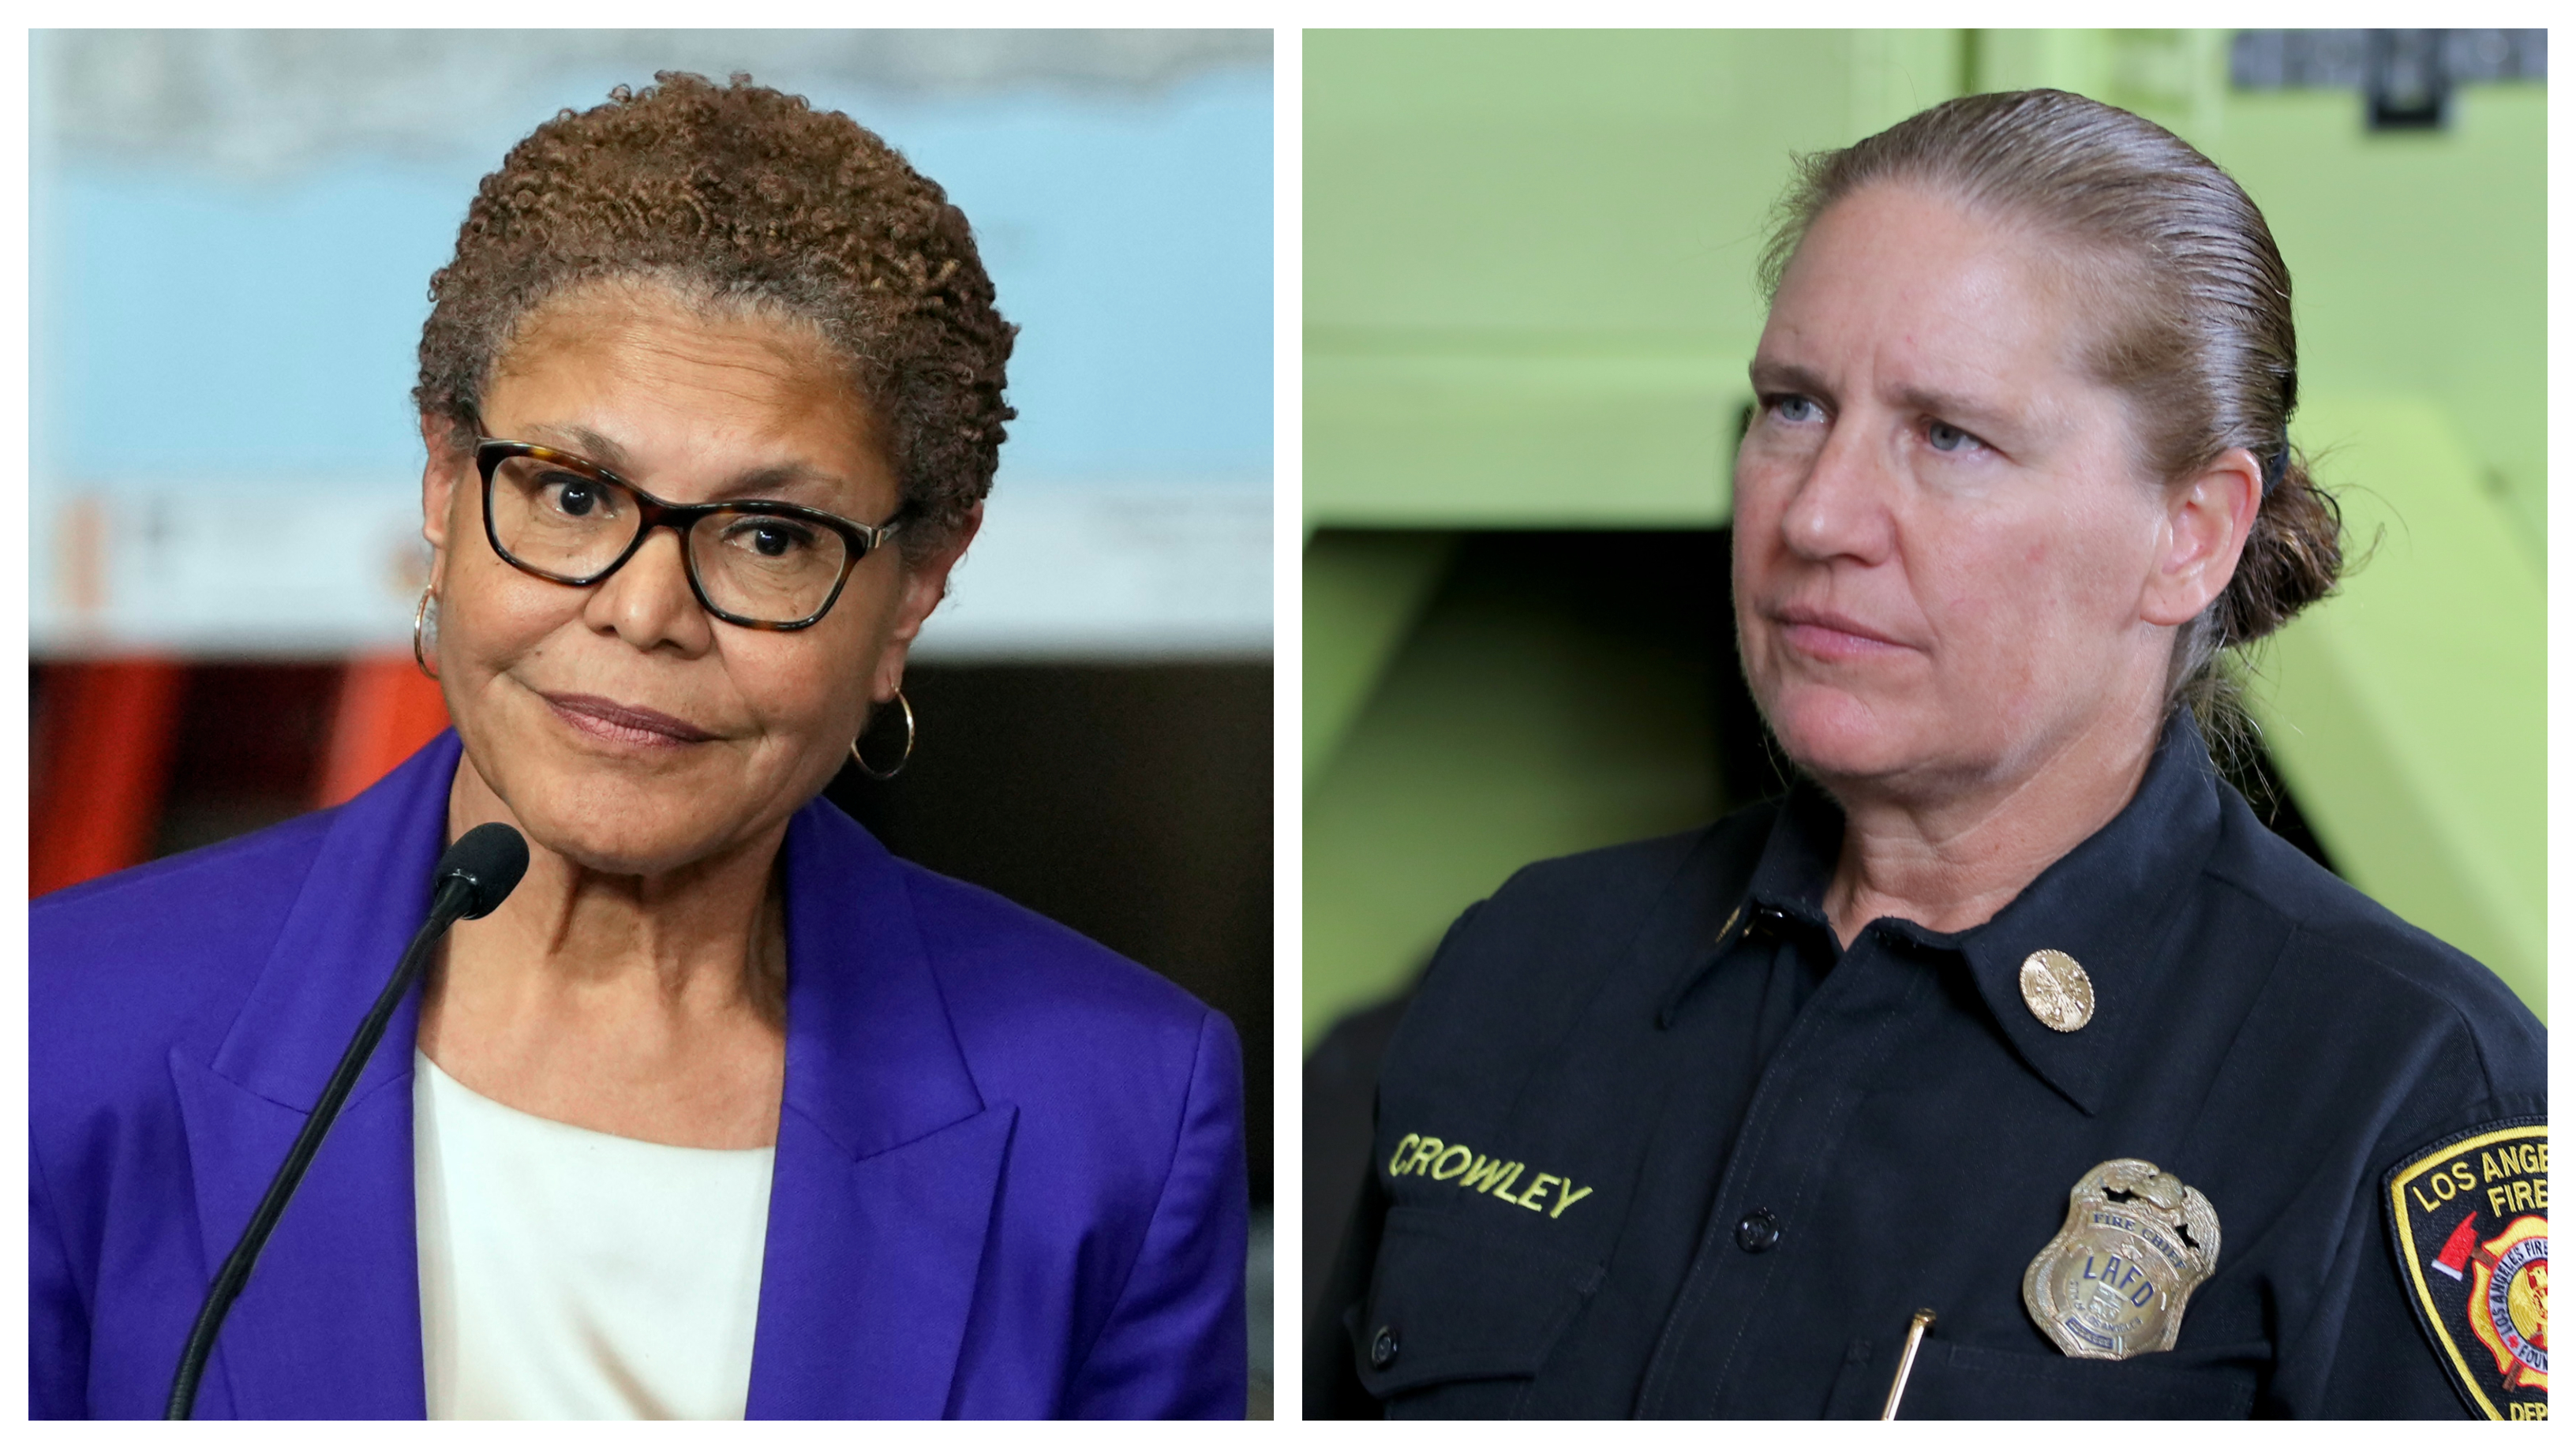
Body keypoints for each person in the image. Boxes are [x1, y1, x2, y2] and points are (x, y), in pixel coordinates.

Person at [1309, 89, 2544, 1420]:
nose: (1820, 513)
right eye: (1791, 408)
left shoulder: (2408, 1089)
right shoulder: (1525, 964)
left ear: (2191, 534)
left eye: (1950, 435)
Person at [33, 73, 1247, 1421]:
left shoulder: (1120, 1113)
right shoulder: (62, 1030)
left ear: (913, 591)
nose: (645, 611)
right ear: (443, 491)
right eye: (570, 494)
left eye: (772, 536)